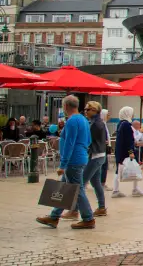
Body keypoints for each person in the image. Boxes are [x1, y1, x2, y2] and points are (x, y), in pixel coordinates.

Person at [35, 95, 95, 230]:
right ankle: (54, 216)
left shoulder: (72, 121)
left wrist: (63, 164)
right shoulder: (83, 120)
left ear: (65, 106)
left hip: (73, 160)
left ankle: (88, 218)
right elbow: (89, 140)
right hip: (80, 157)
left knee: (77, 190)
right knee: (65, 188)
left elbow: (69, 143)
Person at [62, 102, 109, 220]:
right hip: (100, 155)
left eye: (88, 109)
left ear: (94, 110)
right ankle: (102, 207)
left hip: (94, 156)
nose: (85, 112)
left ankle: (74, 210)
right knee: (96, 182)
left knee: (79, 185)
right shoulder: (100, 122)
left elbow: (88, 141)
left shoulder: (94, 124)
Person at [112, 107, 143, 198]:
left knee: (118, 170)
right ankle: (134, 189)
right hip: (126, 151)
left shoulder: (120, 123)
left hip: (120, 150)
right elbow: (128, 140)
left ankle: (116, 190)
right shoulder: (127, 125)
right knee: (135, 168)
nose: (133, 115)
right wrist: (131, 152)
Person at [99, 109, 112, 191]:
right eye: (107, 115)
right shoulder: (101, 125)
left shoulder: (104, 124)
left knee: (103, 166)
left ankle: (101, 183)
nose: (109, 117)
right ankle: (101, 183)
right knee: (103, 166)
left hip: (104, 148)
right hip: (101, 149)